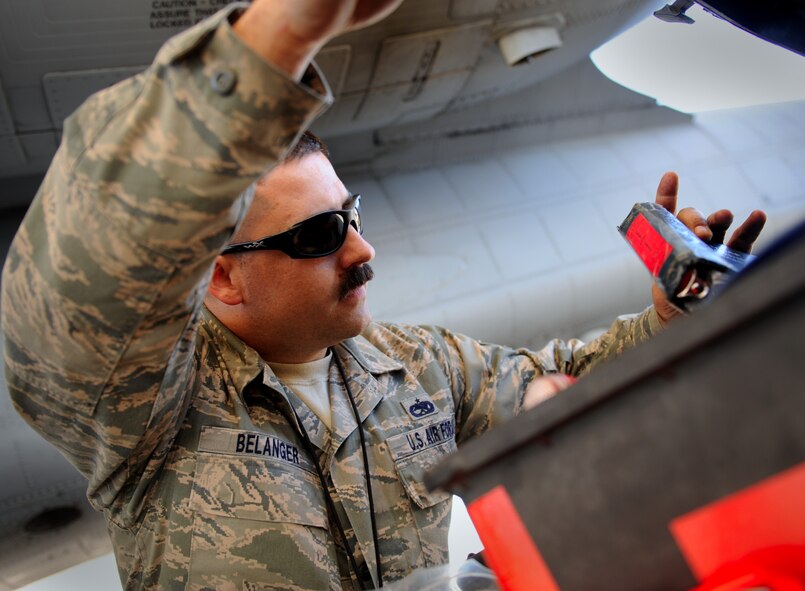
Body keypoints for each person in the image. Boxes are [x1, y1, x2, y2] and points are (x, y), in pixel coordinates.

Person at [0, 0, 766, 589]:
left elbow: (558, 382)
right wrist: (267, 45)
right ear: (222, 276)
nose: (362, 250)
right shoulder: (153, 411)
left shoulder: (413, 365)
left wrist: (664, 318)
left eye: (352, 216)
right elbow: (83, 285)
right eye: (319, 234)